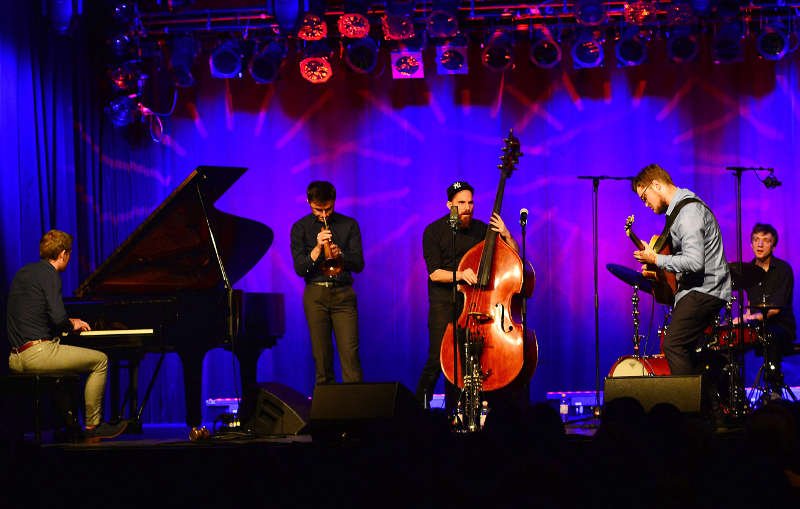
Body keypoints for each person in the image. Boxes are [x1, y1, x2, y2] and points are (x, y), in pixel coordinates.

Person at [6, 230, 128, 441]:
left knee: (63, 373)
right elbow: (59, 318)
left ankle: (70, 426)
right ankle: (92, 426)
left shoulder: (23, 273)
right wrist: (73, 323)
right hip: (38, 354)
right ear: (63, 254)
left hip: (15, 358)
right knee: (100, 361)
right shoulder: (50, 274)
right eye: (69, 255)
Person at [631, 165, 731, 412]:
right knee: (690, 352)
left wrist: (657, 260)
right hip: (697, 290)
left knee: (673, 344)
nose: (646, 205)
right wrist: (656, 265)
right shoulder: (677, 213)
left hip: (706, 289)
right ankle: (711, 411)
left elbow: (695, 263)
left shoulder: (688, 213)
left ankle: (690, 413)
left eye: (645, 198)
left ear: (656, 185)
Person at [415, 180, 520, 410]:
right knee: (437, 359)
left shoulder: (483, 230)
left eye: (470, 202)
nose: (467, 207)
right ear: (449, 205)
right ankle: (418, 411)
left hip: (477, 303)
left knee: (469, 363)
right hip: (444, 302)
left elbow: (512, 255)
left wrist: (506, 234)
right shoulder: (433, 231)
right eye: (461, 203)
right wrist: (461, 274)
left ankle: (462, 411)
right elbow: (434, 274)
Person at [290, 181, 364, 387]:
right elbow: (299, 269)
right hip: (316, 295)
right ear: (308, 202)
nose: (323, 214)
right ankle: (327, 414)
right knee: (321, 357)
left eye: (328, 209)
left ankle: (356, 410)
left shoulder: (349, 225)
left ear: (334, 202)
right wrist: (316, 249)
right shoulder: (300, 228)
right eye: (318, 210)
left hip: (343, 294)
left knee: (350, 356)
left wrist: (340, 253)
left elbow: (359, 264)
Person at [738, 223, 796, 392]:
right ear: (751, 244)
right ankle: (734, 397)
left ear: (773, 245)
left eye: (765, 240)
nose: (760, 244)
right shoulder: (747, 271)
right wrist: (741, 319)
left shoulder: (783, 270)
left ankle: (774, 392)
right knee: (729, 340)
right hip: (756, 327)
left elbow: (775, 309)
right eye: (756, 240)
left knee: (771, 335)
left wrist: (752, 318)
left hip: (781, 327)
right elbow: (749, 305)